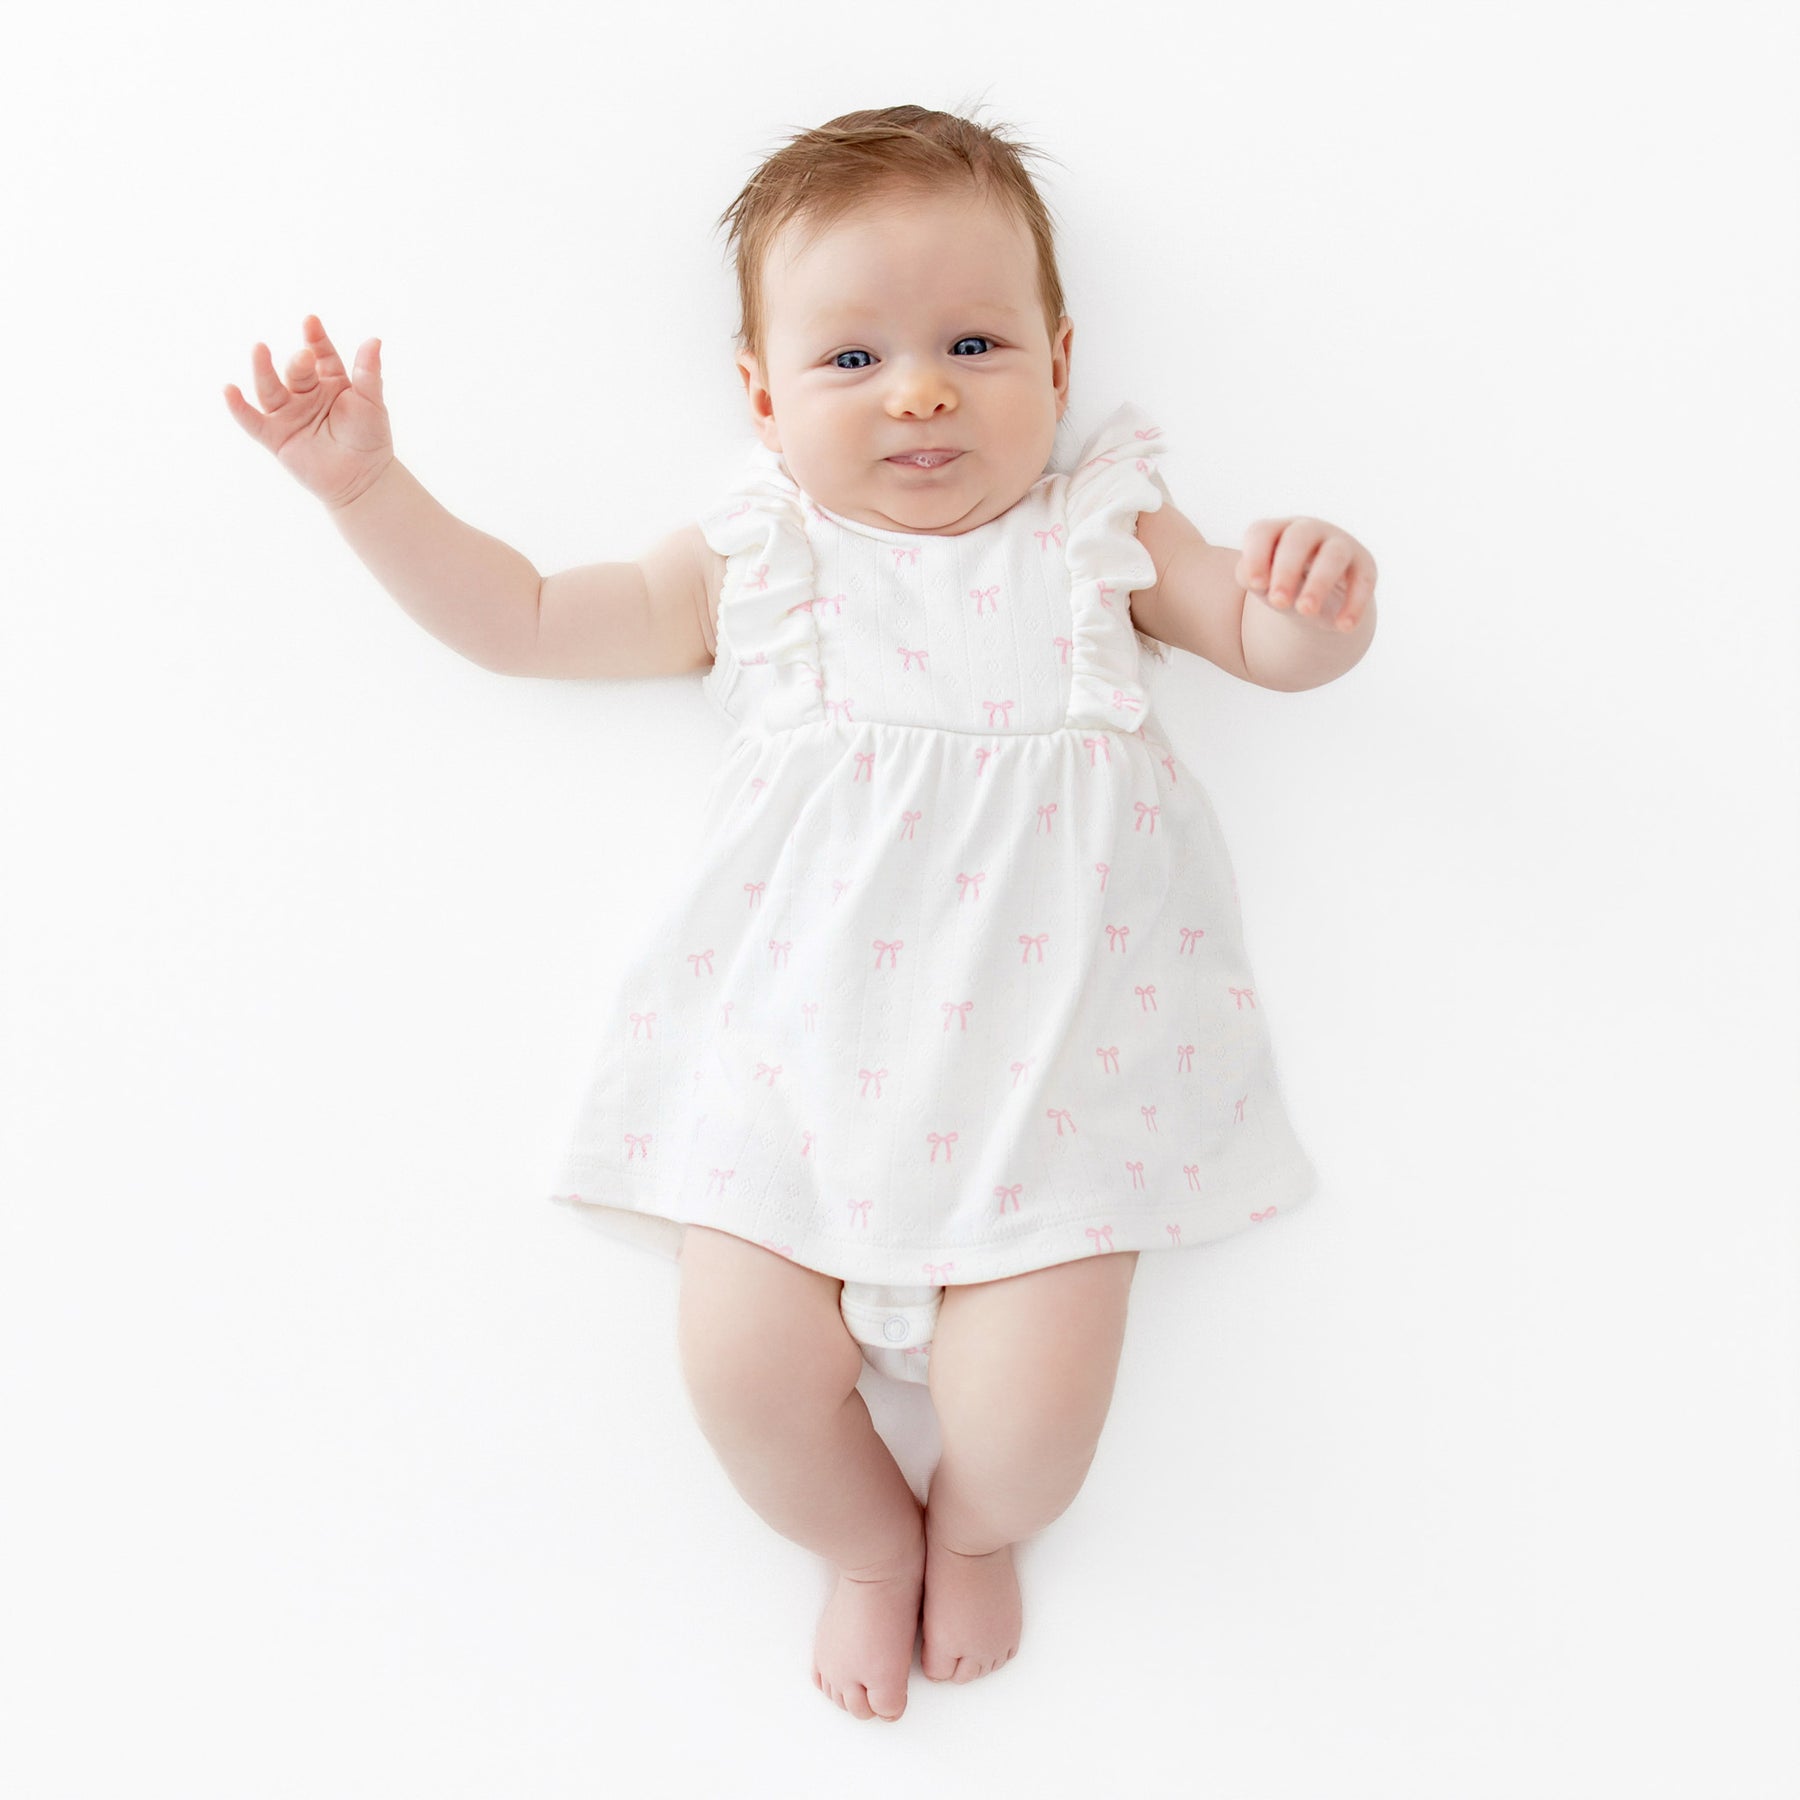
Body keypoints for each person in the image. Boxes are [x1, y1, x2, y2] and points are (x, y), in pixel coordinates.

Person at [223, 102, 1378, 1726]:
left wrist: (1310, 610)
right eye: (852, 361)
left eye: (973, 342)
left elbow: (1261, 650)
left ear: (1058, 356)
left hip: (1053, 1098)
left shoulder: (1100, 535)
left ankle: (978, 1525)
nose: (918, 388)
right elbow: (533, 621)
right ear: (763, 397)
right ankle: (857, 1545)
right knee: (744, 1377)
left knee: (1036, 1423)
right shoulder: (762, 557)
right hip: (787, 1080)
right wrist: (369, 491)